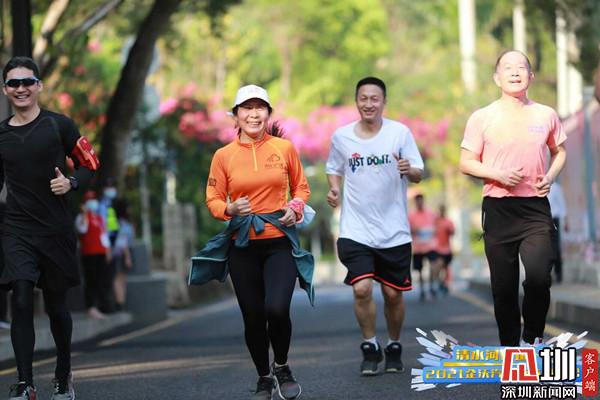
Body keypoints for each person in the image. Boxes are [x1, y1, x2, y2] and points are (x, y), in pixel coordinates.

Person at [189, 84, 312, 400]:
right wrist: (229, 209)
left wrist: (295, 207)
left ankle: (281, 365)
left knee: (277, 309)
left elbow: (301, 188)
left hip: (278, 241)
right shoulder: (223, 156)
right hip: (242, 245)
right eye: (247, 108)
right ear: (236, 116)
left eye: (260, 107)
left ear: (268, 113)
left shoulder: (284, 149)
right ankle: (263, 377)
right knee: (253, 315)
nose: (253, 114)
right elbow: (213, 199)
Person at [0, 56, 99, 400]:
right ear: (5, 89)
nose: (21, 88)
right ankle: (25, 383)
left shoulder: (60, 125)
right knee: (21, 298)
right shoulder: (1, 134)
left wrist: (71, 183)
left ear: (39, 86)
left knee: (57, 307)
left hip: (55, 229)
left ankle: (62, 374)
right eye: (13, 83)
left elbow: (90, 164)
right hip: (17, 229)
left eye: (27, 82)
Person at [459, 50, 566, 346]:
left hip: (535, 208)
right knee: (504, 289)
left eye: (521, 67)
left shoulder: (545, 114)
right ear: (497, 78)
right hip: (498, 209)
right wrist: (498, 174)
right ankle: (510, 347)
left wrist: (551, 176)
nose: (515, 72)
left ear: (531, 76)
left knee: (539, 278)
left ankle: (532, 338)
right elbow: (466, 162)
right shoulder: (482, 117)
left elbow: (559, 151)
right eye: (508, 68)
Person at [326, 77, 424, 376]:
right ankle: (370, 346)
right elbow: (333, 168)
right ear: (357, 101)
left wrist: (409, 169)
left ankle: (393, 345)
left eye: (374, 98)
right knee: (362, 288)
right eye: (363, 98)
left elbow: (418, 172)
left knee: (393, 295)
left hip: (394, 231)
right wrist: (334, 189)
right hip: (355, 229)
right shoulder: (342, 137)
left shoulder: (399, 133)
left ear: (383, 102)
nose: (368, 103)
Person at [75, 191, 111, 320]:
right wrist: (84, 213)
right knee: (90, 280)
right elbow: (82, 229)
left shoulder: (99, 218)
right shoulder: (81, 217)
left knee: (101, 280)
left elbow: (104, 235)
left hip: (100, 253)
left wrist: (107, 251)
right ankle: (91, 307)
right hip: (89, 254)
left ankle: (101, 305)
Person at [408, 194, 438, 301]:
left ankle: (431, 285)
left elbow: (437, 225)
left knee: (433, 266)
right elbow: (407, 229)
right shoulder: (411, 215)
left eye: (421, 201)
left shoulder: (431, 213)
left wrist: (434, 231)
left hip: (430, 246)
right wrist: (414, 230)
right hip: (418, 247)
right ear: (415, 202)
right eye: (418, 201)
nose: (420, 203)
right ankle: (422, 290)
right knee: (419, 270)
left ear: (423, 201)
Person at [111, 199, 134, 311]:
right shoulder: (120, 223)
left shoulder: (123, 222)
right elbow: (122, 242)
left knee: (122, 278)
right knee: (119, 278)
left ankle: (121, 302)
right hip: (121, 254)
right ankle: (120, 302)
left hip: (122, 253)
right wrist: (128, 257)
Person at [433, 204, 455, 295]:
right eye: (440, 210)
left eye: (443, 210)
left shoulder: (448, 222)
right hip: (438, 249)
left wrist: (449, 230)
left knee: (446, 268)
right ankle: (441, 283)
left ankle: (445, 285)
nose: (441, 212)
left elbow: (453, 232)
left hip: (447, 249)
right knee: (438, 267)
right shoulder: (435, 222)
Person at [547, 181, 567, 283]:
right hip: (543, 219)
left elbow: (562, 204)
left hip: (554, 219)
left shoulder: (556, 188)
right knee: (545, 247)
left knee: (555, 247)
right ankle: (548, 274)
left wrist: (566, 221)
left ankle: (558, 273)